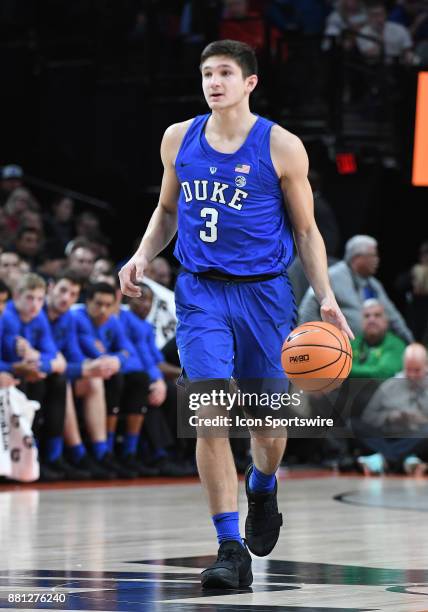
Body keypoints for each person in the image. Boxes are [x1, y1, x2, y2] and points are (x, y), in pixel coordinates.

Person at [119, 39, 352, 590]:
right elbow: (168, 208)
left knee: (268, 426)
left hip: (266, 293)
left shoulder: (283, 146)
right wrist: (140, 254)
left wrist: (325, 295)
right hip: (200, 292)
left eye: (225, 72)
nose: (214, 81)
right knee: (210, 414)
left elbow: (306, 230)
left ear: (249, 82)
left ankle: (263, 487)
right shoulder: (178, 138)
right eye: (206, 73)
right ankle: (229, 547)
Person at [299, 235, 413, 342]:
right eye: (373, 255)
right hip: (336, 347)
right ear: (357, 258)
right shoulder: (332, 277)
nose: (377, 260)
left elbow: (393, 317)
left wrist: (411, 343)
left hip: (371, 348)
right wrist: (310, 340)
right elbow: (308, 309)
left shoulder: (373, 284)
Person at [356, 343, 428, 476]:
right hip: (389, 435)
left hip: (418, 438)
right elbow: (368, 417)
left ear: (426, 367)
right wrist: (389, 417)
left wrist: (420, 419)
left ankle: (384, 459)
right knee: (354, 424)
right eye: (408, 370)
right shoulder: (389, 386)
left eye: (417, 370)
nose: (411, 375)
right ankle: (406, 459)